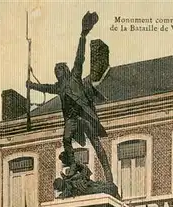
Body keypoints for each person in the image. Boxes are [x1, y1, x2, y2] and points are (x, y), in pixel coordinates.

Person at [26, 12, 115, 186]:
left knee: (96, 145)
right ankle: (73, 165)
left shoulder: (75, 76)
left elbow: (79, 58)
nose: (58, 73)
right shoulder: (59, 87)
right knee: (66, 140)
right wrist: (31, 85)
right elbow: (45, 87)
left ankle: (109, 177)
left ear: (65, 71)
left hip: (84, 116)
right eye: (56, 72)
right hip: (72, 119)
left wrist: (83, 35)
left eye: (60, 70)